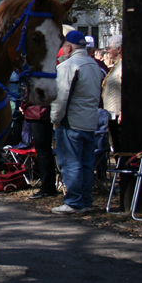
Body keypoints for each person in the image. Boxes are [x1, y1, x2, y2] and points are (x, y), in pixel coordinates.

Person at [50, 30, 103, 214]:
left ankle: (74, 201)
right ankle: (85, 200)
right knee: (87, 163)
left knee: (70, 163)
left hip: (71, 121)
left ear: (69, 46)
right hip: (89, 120)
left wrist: (55, 119)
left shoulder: (68, 66)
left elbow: (61, 97)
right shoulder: (93, 64)